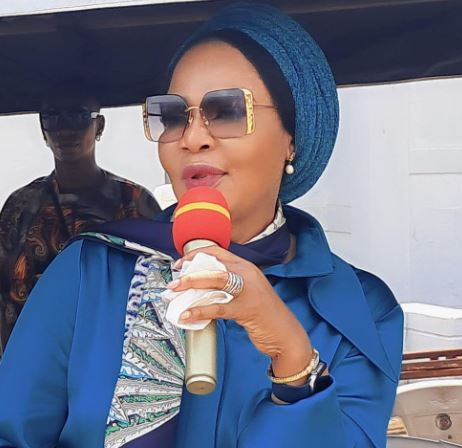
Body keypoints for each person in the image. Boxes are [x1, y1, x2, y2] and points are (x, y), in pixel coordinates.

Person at [0, 4, 403, 447]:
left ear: (293, 137)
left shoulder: (359, 309)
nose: (192, 138)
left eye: (227, 110)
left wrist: (292, 358)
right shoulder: (91, 270)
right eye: (173, 116)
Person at [0, 88, 161, 355]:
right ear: (42, 129)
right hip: (33, 357)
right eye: (53, 117)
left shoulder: (135, 202)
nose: (65, 129)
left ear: (99, 126)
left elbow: (160, 287)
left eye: (78, 116)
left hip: (116, 356)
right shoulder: (21, 205)